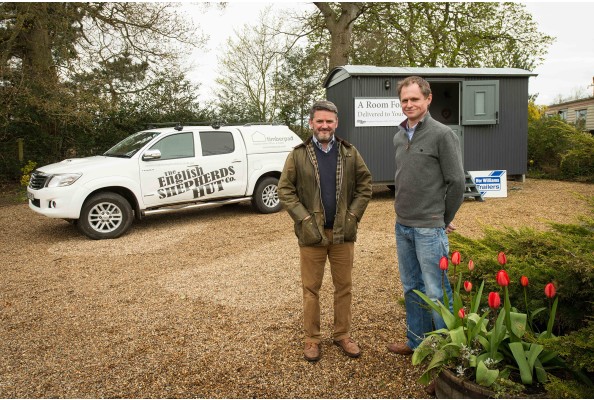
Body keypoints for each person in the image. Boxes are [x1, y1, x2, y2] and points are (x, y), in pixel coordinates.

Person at [278, 100, 372, 362]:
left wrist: (353, 215)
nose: (324, 125)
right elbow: (285, 190)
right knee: (311, 289)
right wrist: (305, 219)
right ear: (311, 123)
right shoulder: (298, 154)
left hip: (343, 234)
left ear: (336, 123)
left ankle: (342, 335)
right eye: (319, 121)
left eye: (329, 121)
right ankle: (312, 339)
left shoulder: (350, 152)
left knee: (344, 287)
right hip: (312, 235)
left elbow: (365, 184)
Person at [387, 76, 465, 357]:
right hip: (403, 225)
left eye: (414, 99)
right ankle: (416, 342)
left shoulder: (443, 135)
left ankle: (446, 358)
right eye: (404, 100)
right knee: (411, 288)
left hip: (429, 229)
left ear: (428, 99)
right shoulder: (398, 136)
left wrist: (443, 218)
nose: (409, 104)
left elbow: (456, 182)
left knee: (437, 293)